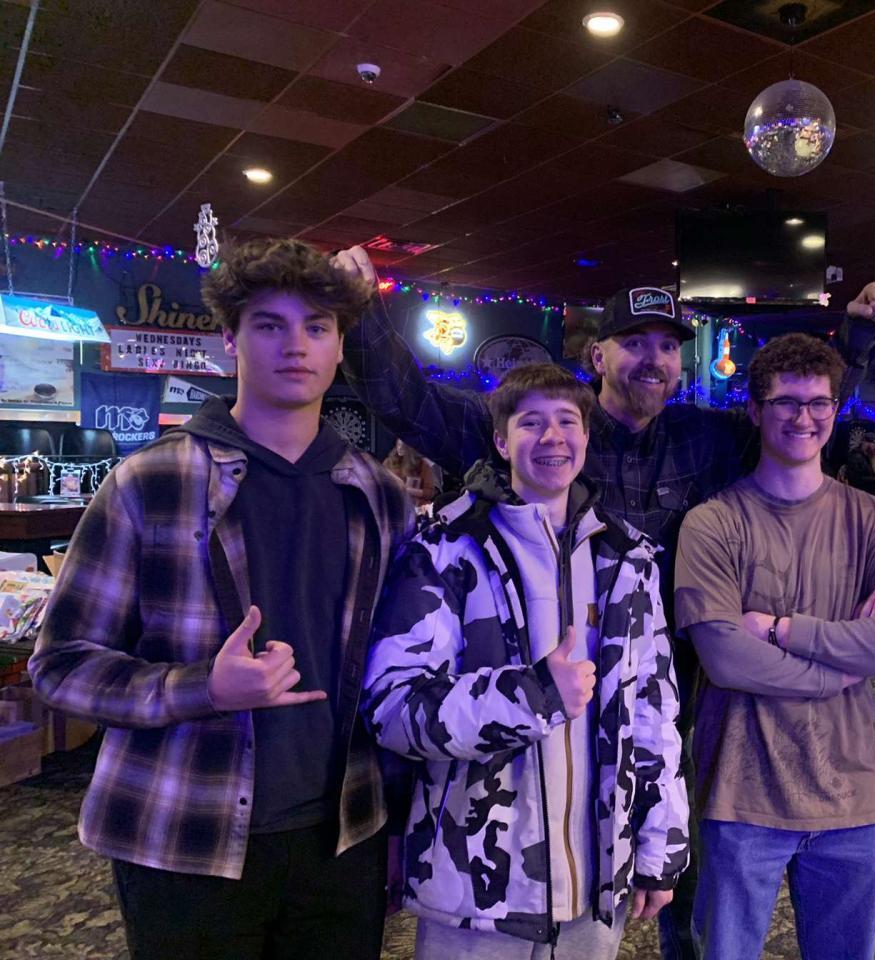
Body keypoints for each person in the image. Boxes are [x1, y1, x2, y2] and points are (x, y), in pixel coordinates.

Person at [335, 244, 875, 959]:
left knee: (676, 875)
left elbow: (800, 417)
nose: (653, 359)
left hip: (666, 691)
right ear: (598, 356)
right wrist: (361, 310)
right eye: (635, 343)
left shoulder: (704, 437)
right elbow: (406, 402)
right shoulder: (548, 424)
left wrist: (857, 341)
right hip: (522, 697)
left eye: (667, 346)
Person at [28, 239, 416, 960]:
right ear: (231, 339)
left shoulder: (381, 496)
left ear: (339, 347)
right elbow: (60, 666)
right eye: (269, 324)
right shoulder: (151, 481)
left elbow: (398, 678)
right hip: (183, 833)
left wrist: (399, 823)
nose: (295, 345)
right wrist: (203, 687)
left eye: (317, 326)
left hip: (343, 834)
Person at [363, 363, 688, 959]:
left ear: (586, 437)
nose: (552, 437)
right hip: (476, 889)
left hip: (595, 884)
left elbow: (653, 712)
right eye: (531, 422)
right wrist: (532, 696)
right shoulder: (446, 549)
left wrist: (660, 846)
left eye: (567, 421)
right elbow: (392, 707)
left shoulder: (627, 558)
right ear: (500, 439)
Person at [673, 333, 875, 960]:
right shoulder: (712, 522)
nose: (804, 417)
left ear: (835, 409)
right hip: (739, 795)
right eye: (786, 402)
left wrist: (783, 630)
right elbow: (724, 657)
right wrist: (840, 668)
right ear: (755, 410)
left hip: (851, 798)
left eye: (819, 403)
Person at [383, 437, 442, 511]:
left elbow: (430, 493)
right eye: (398, 445)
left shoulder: (422, 464)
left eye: (403, 445)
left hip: (417, 507)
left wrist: (410, 490)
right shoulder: (388, 462)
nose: (400, 448)